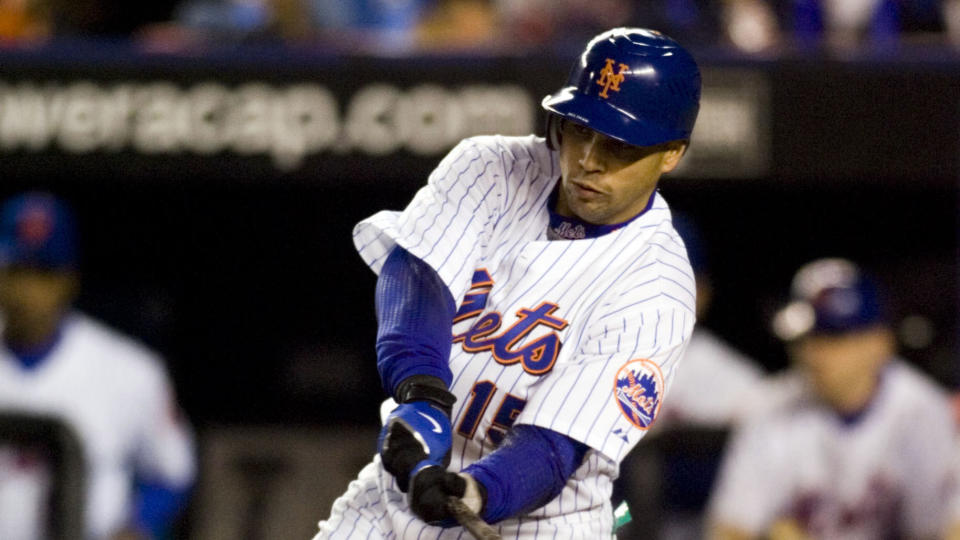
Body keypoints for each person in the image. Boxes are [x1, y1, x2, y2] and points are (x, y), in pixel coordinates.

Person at [313, 27, 701, 538]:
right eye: (579, 129)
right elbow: (417, 273)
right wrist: (421, 394)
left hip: (538, 521)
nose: (587, 159)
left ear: (671, 153)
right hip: (397, 497)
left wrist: (476, 491)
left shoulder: (659, 288)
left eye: (618, 146)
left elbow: (554, 447)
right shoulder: (491, 166)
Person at [706, 257, 956, 540]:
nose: (813, 353)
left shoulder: (920, 411)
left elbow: (946, 530)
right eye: (806, 338)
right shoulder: (770, 405)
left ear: (879, 343)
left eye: (833, 337)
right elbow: (728, 529)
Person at [0, 192, 196, 540]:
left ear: (69, 279)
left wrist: (139, 525)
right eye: (17, 271)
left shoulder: (131, 371)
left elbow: (172, 472)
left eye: (43, 272)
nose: (27, 290)